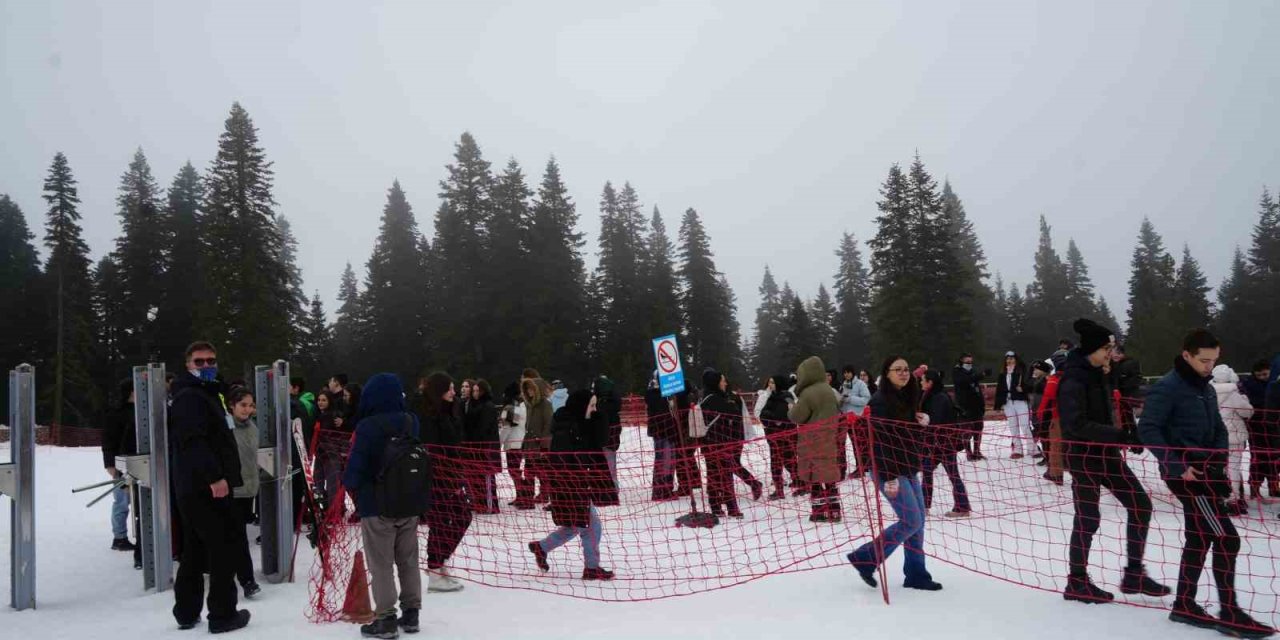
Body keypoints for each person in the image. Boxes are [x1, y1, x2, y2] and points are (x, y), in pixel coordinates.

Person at [1138, 330, 1274, 638]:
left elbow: (1218, 429)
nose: (1209, 367)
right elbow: (1148, 429)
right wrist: (1177, 465)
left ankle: (1184, 604)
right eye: (1203, 360)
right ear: (1186, 355)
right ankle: (1229, 613)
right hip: (1187, 478)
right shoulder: (1167, 388)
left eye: (1214, 361)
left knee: (1199, 537)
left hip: (1208, 472)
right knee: (1227, 538)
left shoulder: (1207, 388)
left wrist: (1220, 463)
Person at [1058, 319, 1168, 604]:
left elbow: (1115, 406)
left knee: (1140, 505)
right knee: (1088, 517)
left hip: (1106, 454)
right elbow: (1075, 425)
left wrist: (1128, 435)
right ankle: (1077, 582)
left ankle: (1134, 574)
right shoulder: (1073, 379)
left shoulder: (1100, 373)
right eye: (1107, 347)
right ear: (1093, 349)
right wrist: (1121, 435)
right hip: (1083, 457)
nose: (1111, 352)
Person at [169, 341, 251, 633]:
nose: (206, 366)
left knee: (195, 550)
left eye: (211, 361)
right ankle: (222, 614)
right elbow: (193, 442)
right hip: (205, 487)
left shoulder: (209, 393)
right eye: (199, 362)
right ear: (188, 364)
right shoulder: (189, 397)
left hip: (199, 486)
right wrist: (215, 477)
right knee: (223, 547)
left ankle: (187, 612)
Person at [342, 373, 427, 639]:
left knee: (381, 564)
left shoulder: (367, 426)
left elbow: (356, 470)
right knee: (408, 560)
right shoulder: (411, 421)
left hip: (376, 505)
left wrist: (349, 484)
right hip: (409, 501)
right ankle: (411, 614)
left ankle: (386, 619)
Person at [846, 355, 940, 592]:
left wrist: (923, 422)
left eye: (906, 369)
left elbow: (907, 435)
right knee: (912, 520)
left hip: (908, 466)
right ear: (886, 373)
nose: (904, 373)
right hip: (888, 469)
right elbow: (879, 442)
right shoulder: (880, 401)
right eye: (897, 369)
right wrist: (887, 477)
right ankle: (866, 557)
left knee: (918, 522)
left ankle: (916, 574)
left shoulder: (908, 397)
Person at [527, 389, 618, 581]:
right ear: (581, 406)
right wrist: (574, 482)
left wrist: (599, 417)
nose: (594, 410)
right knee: (591, 526)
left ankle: (541, 547)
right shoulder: (566, 427)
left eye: (595, 406)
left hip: (579, 484)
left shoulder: (582, 424)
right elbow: (564, 460)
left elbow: (601, 440)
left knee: (577, 525)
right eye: (591, 406)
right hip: (570, 485)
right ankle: (591, 568)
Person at [417, 372, 472, 593]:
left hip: (451, 475)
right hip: (434, 477)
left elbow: (456, 441)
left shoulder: (450, 410)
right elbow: (435, 447)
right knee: (441, 523)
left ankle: (438, 563)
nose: (454, 391)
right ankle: (435, 569)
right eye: (449, 388)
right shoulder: (426, 415)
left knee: (462, 516)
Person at [789, 357, 842, 522]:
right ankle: (834, 510)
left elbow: (797, 416)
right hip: (829, 437)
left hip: (811, 440)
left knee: (815, 477)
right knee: (829, 474)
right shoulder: (828, 390)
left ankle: (819, 511)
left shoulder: (808, 393)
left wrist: (791, 408)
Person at [700, 368, 755, 518]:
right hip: (718, 444)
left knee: (716, 476)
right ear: (716, 382)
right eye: (722, 380)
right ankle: (730, 508)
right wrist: (730, 401)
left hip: (715, 443)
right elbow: (733, 411)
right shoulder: (714, 399)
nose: (725, 383)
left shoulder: (709, 397)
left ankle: (717, 507)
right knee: (722, 477)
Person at [227, 387, 262, 599]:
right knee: (237, 537)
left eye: (250, 405)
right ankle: (247, 580)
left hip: (248, 490)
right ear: (232, 405)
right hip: (230, 491)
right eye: (243, 405)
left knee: (237, 536)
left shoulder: (253, 427)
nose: (247, 410)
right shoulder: (224, 427)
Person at [920, 371, 971, 518]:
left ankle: (962, 507)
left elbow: (937, 420)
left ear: (930, 382)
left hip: (944, 443)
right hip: (935, 443)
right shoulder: (931, 395)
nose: (921, 383)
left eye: (923, 380)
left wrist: (924, 419)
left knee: (953, 475)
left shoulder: (939, 398)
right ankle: (924, 506)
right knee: (927, 471)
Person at [1210, 365, 1253, 516]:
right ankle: (1234, 499)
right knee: (1234, 468)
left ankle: (1221, 498)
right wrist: (1244, 399)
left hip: (1215, 437)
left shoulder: (1208, 392)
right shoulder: (1234, 394)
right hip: (1234, 437)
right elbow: (1247, 412)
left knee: (1219, 468)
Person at [102, 378, 138, 553]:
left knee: (140, 502)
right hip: (121, 464)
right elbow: (108, 441)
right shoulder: (116, 413)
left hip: (141, 462)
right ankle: (120, 537)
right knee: (122, 502)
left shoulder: (143, 411)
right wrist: (110, 464)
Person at [514, 376, 554, 509]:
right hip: (530, 445)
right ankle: (528, 499)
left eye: (531, 389)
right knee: (528, 473)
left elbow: (548, 425)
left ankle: (545, 495)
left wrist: (544, 446)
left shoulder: (545, 405)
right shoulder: (529, 405)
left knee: (543, 473)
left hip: (540, 445)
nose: (529, 391)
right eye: (527, 389)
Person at [462, 380, 502, 514]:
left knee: (487, 478)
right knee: (477, 478)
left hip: (486, 448)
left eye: (477, 391)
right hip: (476, 448)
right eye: (474, 391)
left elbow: (484, 428)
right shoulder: (474, 406)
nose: (475, 393)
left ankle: (491, 505)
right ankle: (480, 503)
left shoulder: (488, 406)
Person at [757, 375, 799, 500]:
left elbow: (784, 415)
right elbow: (762, 415)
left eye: (773, 383)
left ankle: (801, 483)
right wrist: (770, 417)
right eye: (770, 383)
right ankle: (779, 489)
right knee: (776, 463)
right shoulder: (771, 397)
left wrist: (772, 417)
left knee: (789, 461)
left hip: (787, 435)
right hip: (773, 435)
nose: (771, 385)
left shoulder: (788, 396)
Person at [1241, 360, 1278, 503]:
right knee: (1259, 459)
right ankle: (1254, 488)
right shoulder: (1249, 385)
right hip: (1257, 428)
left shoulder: (1275, 384)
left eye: (1265, 374)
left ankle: (1274, 486)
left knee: (1275, 459)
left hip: (1274, 429)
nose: (1263, 377)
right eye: (1259, 375)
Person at [645, 373, 679, 501]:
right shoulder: (653, 393)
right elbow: (659, 408)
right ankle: (660, 491)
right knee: (663, 461)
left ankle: (667, 489)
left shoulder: (668, 394)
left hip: (670, 430)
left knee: (670, 461)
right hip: (661, 431)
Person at [995, 351, 1033, 459]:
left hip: (1020, 401)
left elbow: (1030, 384)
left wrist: (1023, 389)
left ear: (1016, 359)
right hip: (1008, 403)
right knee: (1013, 427)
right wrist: (998, 405)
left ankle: (1032, 449)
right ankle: (1017, 449)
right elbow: (999, 389)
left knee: (1025, 426)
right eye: (1007, 359)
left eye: (1012, 358)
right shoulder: (1003, 373)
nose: (1009, 361)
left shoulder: (1022, 371)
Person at [837, 365, 872, 478]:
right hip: (848, 419)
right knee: (854, 444)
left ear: (853, 373)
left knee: (861, 444)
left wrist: (850, 398)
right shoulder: (844, 385)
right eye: (845, 373)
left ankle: (863, 467)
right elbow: (844, 402)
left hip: (859, 418)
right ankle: (860, 466)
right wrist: (841, 401)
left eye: (848, 372)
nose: (846, 375)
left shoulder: (860, 384)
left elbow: (866, 399)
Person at [952, 354, 987, 461]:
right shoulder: (957, 372)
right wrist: (980, 375)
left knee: (978, 429)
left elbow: (976, 387)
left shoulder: (973, 372)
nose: (969, 364)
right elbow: (964, 381)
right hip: (965, 407)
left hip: (977, 406)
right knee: (966, 431)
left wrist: (982, 405)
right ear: (961, 362)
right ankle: (969, 453)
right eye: (967, 362)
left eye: (971, 362)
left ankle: (977, 451)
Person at [1036, 363, 1066, 485]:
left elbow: (1048, 397)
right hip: (1071, 415)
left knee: (1055, 445)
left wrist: (1040, 413)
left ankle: (1056, 473)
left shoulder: (1054, 380)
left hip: (1056, 415)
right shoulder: (1073, 377)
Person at [499, 382, 528, 504]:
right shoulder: (520, 406)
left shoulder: (509, 408)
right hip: (520, 441)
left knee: (514, 471)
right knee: (516, 471)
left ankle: (522, 496)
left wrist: (499, 442)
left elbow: (507, 426)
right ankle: (522, 495)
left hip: (512, 443)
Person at [593, 375, 623, 485]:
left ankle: (609, 486)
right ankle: (612, 486)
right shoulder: (614, 400)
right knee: (611, 463)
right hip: (611, 437)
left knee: (604, 464)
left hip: (602, 437)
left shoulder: (599, 402)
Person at [1110, 344, 1143, 441]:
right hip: (1117, 397)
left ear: (1122, 354)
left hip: (1128, 395)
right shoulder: (1113, 365)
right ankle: (1125, 438)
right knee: (1121, 418)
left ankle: (1135, 438)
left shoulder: (1130, 363)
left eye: (1117, 353)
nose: (1115, 356)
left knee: (1128, 418)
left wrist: (1123, 383)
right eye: (1113, 353)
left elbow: (1136, 378)